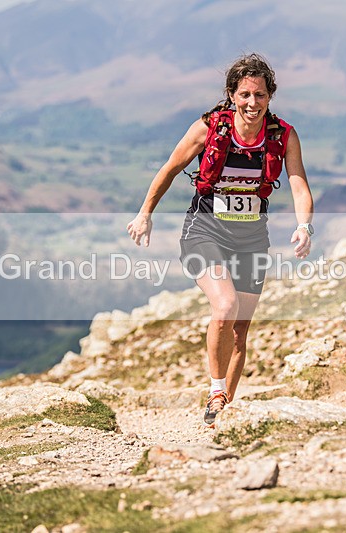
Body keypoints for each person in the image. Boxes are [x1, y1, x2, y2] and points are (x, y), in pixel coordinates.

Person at [127, 53, 314, 426]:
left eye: (259, 95)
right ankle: (215, 391)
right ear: (232, 95)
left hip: (251, 239)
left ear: (269, 97)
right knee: (225, 306)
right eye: (244, 94)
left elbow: (298, 183)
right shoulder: (209, 128)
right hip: (204, 231)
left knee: (241, 330)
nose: (252, 103)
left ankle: (222, 408)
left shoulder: (282, 135)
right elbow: (171, 168)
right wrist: (145, 213)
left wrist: (304, 225)